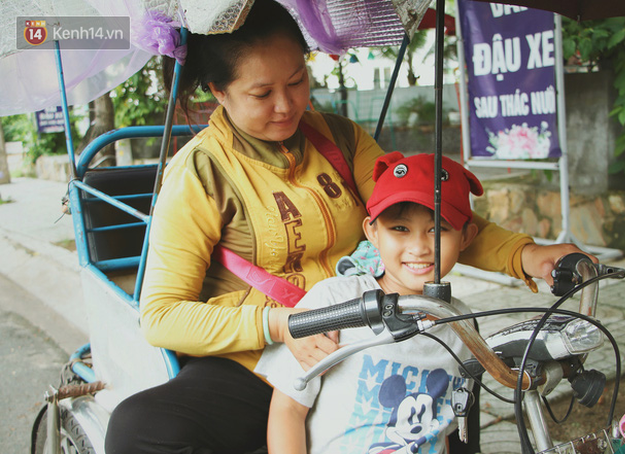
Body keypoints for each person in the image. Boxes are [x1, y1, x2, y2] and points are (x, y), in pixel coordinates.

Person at [105, 1, 595, 453]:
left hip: (373, 336)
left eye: (297, 82)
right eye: (262, 93)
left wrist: (527, 256)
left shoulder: (339, 137)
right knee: (138, 429)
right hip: (262, 361)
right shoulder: (198, 174)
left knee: (454, 394)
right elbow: (163, 316)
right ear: (218, 91)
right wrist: (284, 325)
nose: (287, 105)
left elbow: (423, 215)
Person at [256, 152, 483, 454]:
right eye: (399, 228)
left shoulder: (462, 323)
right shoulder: (334, 302)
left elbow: (453, 427)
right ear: (372, 232)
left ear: (466, 237)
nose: (418, 247)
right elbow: (288, 411)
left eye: (438, 229)